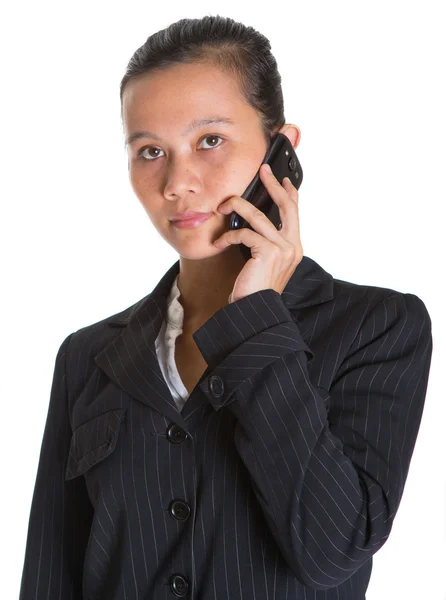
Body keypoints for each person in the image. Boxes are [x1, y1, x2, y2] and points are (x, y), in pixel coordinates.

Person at [19, 15, 433, 600]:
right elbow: (50, 575)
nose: (176, 182)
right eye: (149, 150)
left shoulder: (377, 329)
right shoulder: (87, 357)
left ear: (280, 149)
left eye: (209, 141)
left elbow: (331, 550)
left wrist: (259, 316)